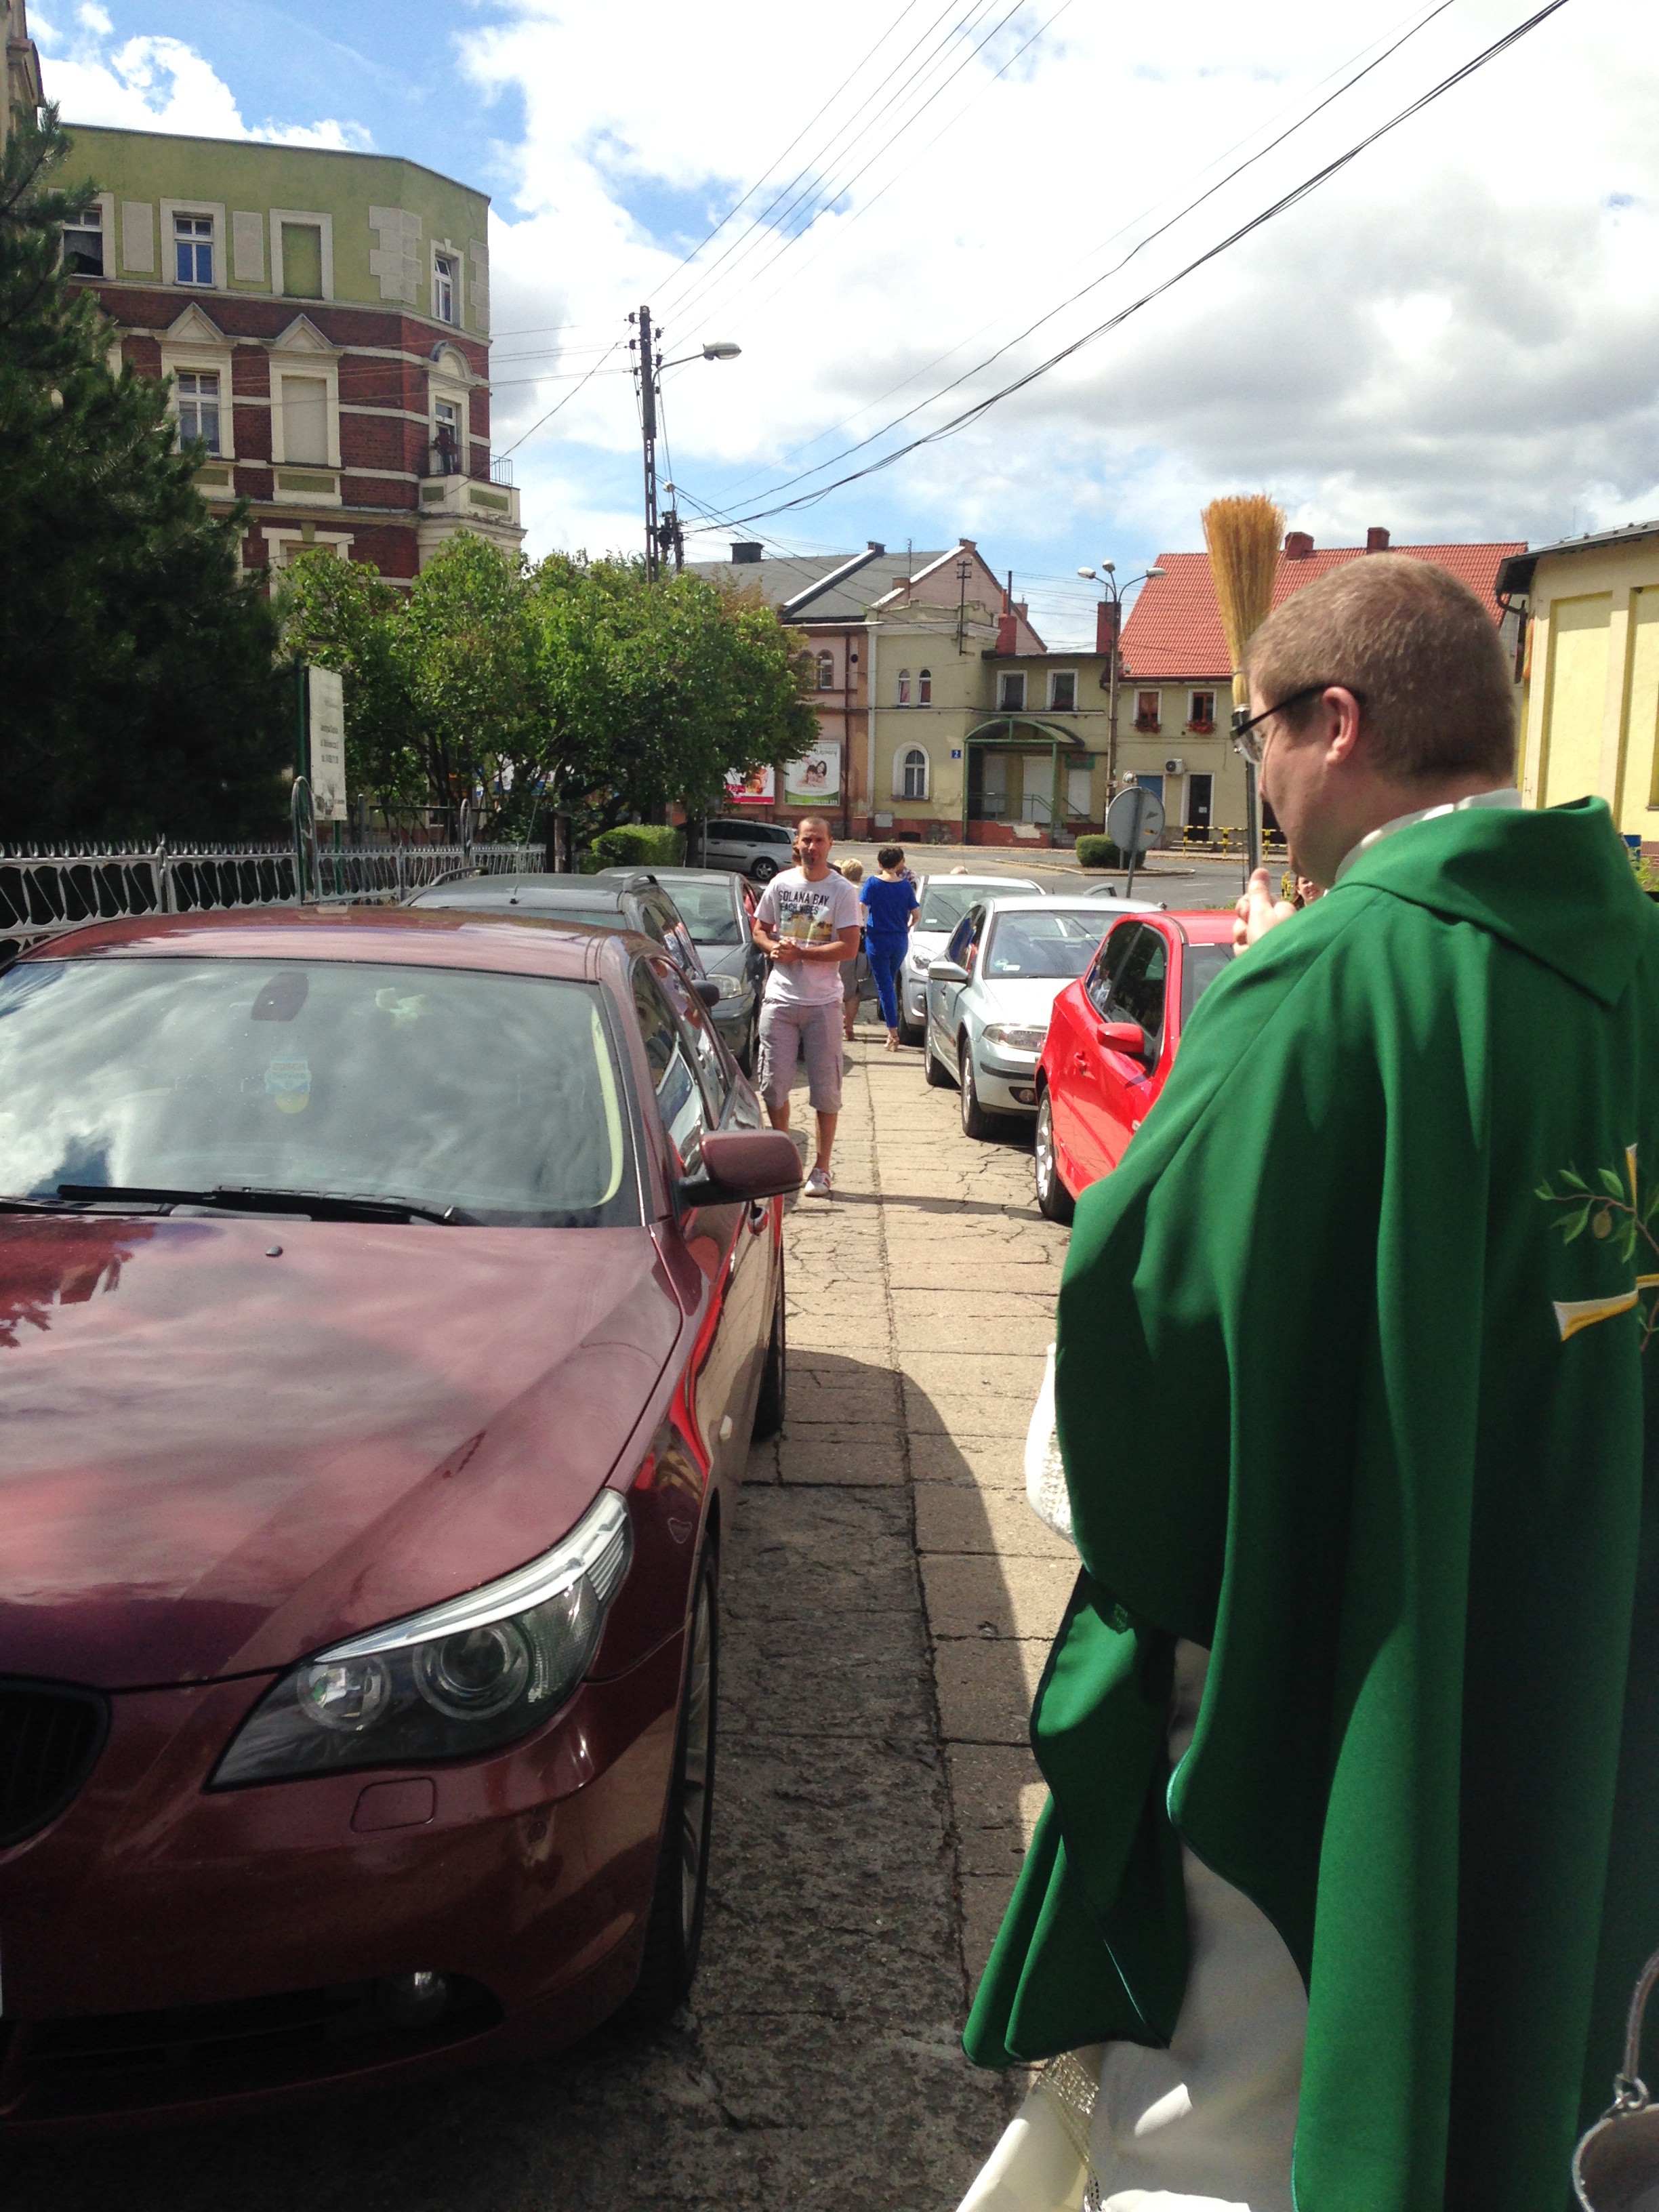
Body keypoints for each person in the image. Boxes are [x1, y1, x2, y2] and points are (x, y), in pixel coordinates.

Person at [958, 554, 1659, 2212]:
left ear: (1333, 725)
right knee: (1552, 2020)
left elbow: (1126, 1397)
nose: (1255, 776)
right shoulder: (1635, 955)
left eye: (1255, 734)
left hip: (1347, 1691)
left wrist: (1257, 1033)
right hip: (1594, 1663)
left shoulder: (1326, 982)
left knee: (1246, 2132)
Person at [750, 816, 862, 1199]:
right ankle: (783, 1162)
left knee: (826, 1090)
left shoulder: (841, 891)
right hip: (780, 1000)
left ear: (830, 844)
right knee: (772, 1086)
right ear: (796, 844)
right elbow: (760, 930)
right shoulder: (780, 884)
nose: (812, 848)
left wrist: (802, 954)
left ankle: (822, 1168)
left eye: (819, 841)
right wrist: (772, 948)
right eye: (806, 840)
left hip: (823, 1003)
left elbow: (850, 947)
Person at [860, 845, 919, 1050]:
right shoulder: (905, 886)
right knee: (890, 983)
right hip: (899, 940)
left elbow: (860, 908)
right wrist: (906, 926)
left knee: (885, 986)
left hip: (877, 939)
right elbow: (916, 915)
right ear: (900, 863)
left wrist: (861, 926)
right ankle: (892, 1027)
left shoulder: (872, 883)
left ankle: (893, 1033)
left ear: (879, 863)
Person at [838, 858, 870, 1042]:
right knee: (853, 990)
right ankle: (849, 1026)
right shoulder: (864, 892)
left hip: (838, 942)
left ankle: (834, 1026)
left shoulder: (840, 890)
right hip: (859, 944)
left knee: (832, 986)